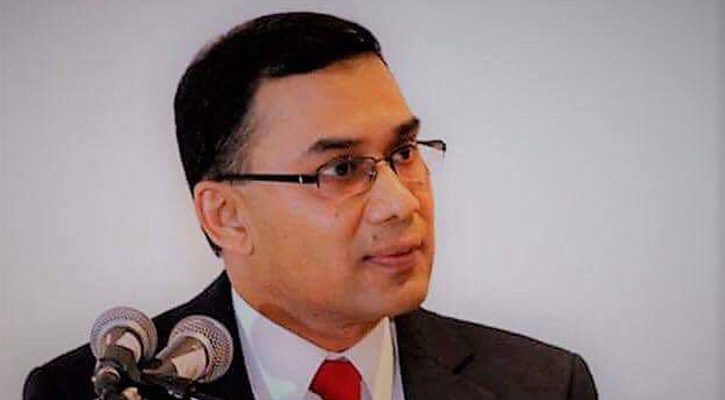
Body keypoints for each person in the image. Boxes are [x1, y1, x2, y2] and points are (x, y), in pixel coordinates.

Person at [23, 12, 597, 400]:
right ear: (226, 216)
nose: (400, 204)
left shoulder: (544, 385)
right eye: (341, 169)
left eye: (402, 154)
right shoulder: (97, 389)